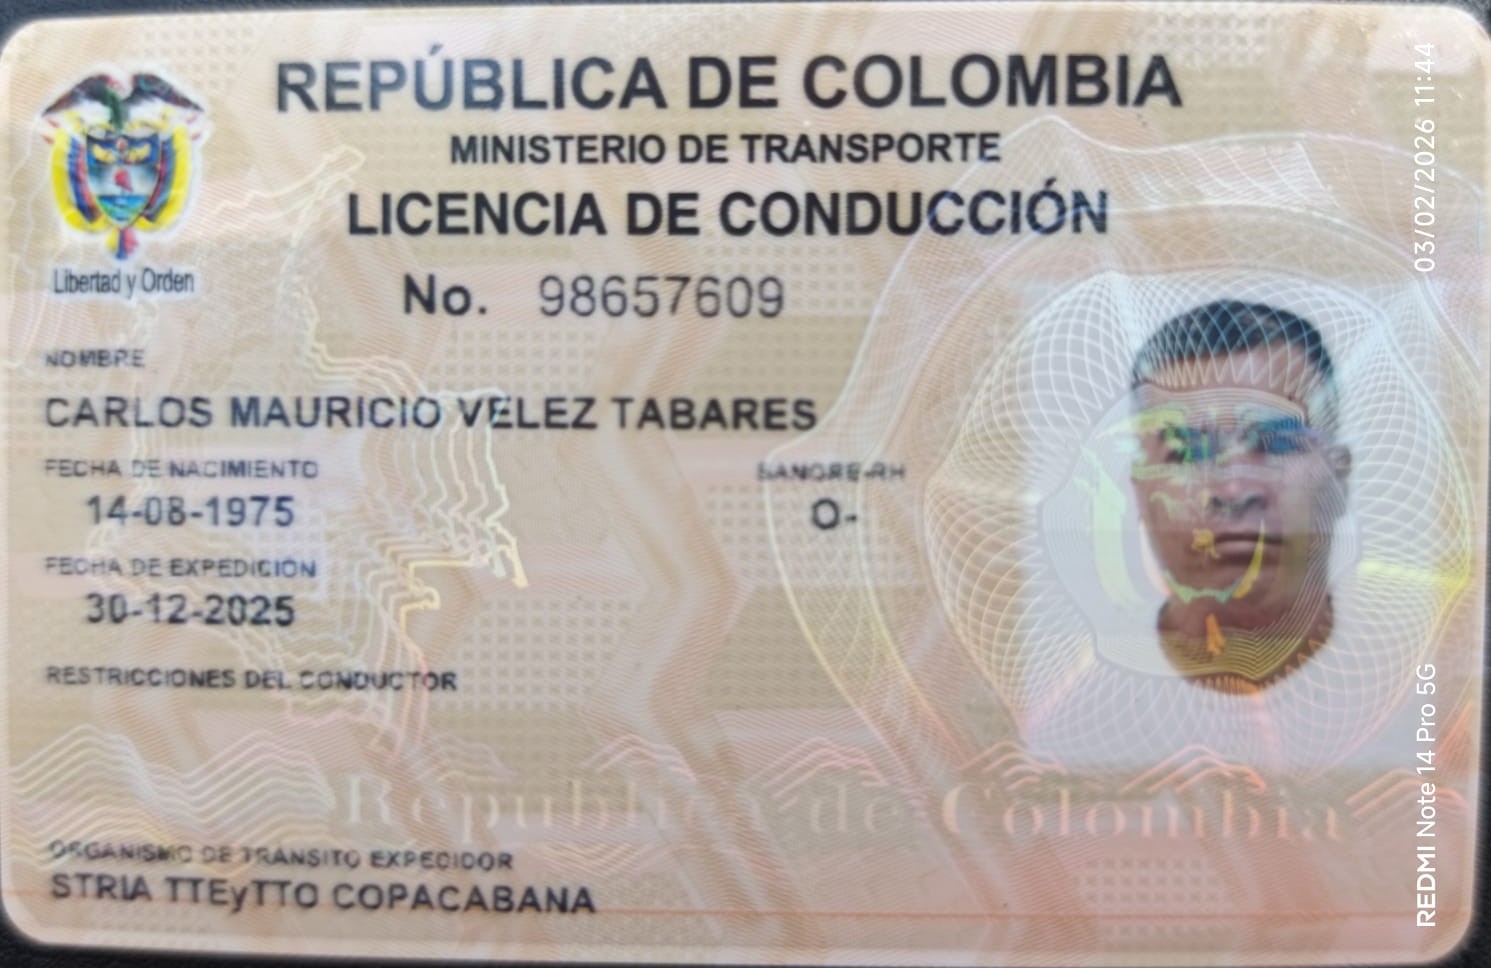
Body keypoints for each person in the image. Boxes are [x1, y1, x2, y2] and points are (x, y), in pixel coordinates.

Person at [1127, 300, 1351, 691]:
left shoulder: (1427, 669)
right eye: (1190, 453)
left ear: (1339, 477)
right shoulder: (1073, 699)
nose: (1233, 490)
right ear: (1141, 490)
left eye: (1280, 443)